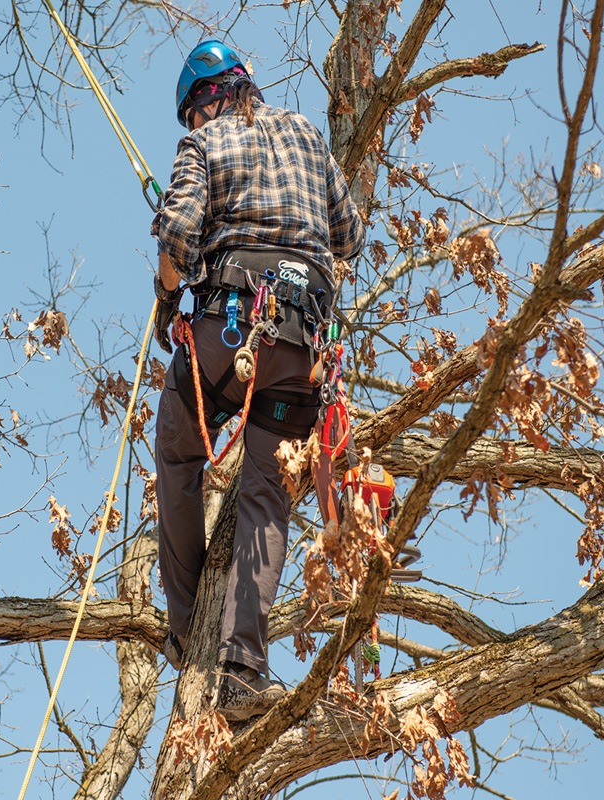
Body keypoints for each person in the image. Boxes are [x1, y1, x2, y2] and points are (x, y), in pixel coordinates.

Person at [151, 39, 365, 721]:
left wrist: (165, 303)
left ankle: (187, 633)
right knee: (267, 496)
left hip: (230, 332)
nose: (192, 127)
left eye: (192, 114)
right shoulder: (306, 135)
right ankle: (244, 668)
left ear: (205, 100)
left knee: (179, 452)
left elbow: (178, 235)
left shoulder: (204, 145)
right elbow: (350, 235)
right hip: (302, 349)